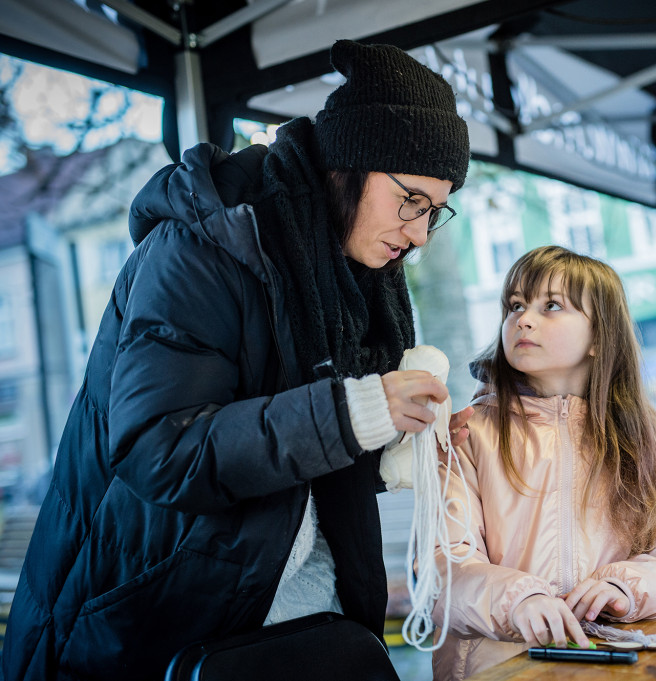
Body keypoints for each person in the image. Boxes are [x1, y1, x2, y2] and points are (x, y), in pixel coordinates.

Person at [2, 40, 472, 681]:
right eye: (410, 199)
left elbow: (302, 466)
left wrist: (404, 443)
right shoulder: (200, 247)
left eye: (434, 211)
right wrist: (354, 413)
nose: (419, 231)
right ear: (348, 164)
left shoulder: (355, 267)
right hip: (158, 629)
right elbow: (157, 449)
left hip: (302, 623)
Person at [431, 246, 656, 680]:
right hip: (499, 669)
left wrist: (625, 587)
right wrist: (518, 600)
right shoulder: (468, 433)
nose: (523, 318)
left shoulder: (642, 434)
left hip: (620, 664)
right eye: (515, 305)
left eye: (551, 305)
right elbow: (442, 565)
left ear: (600, 337)